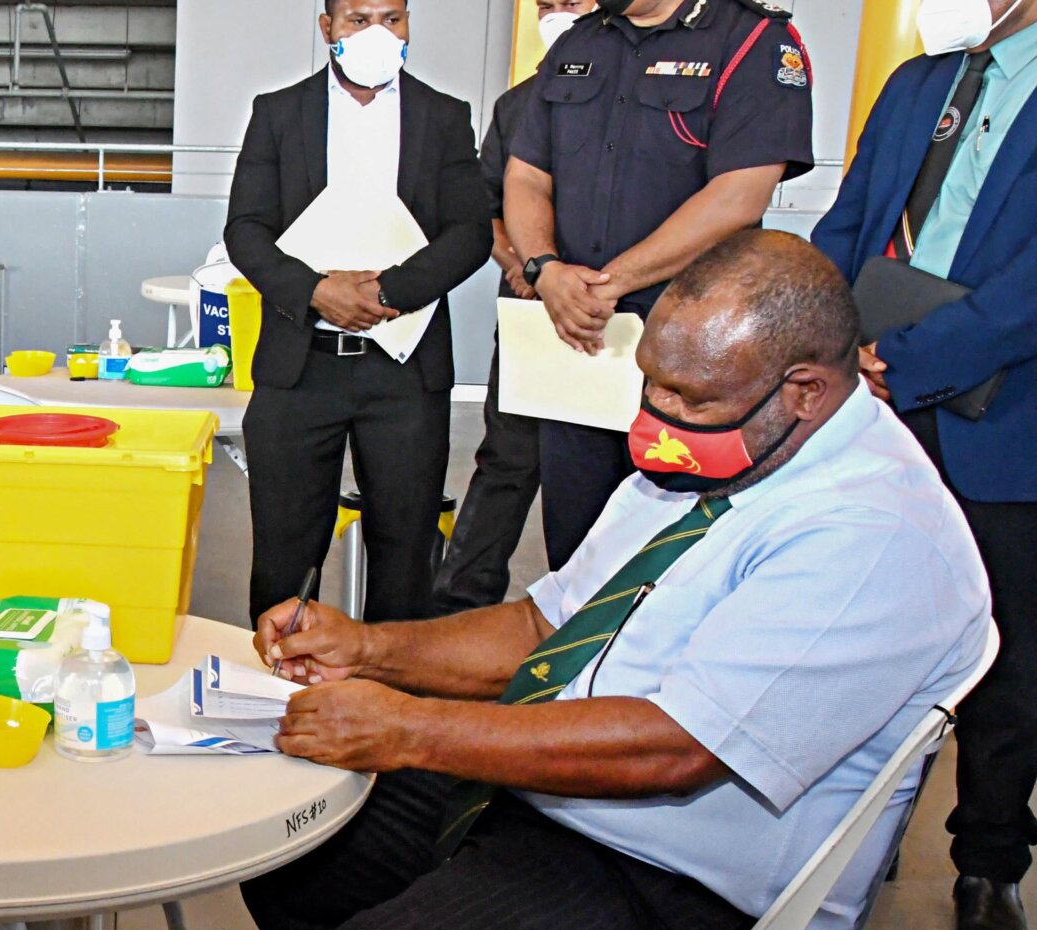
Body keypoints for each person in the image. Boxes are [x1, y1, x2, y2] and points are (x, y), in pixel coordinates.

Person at [240, 231, 991, 930]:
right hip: (565, 788)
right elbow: (543, 629)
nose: (657, 425)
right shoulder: (728, 445)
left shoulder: (873, 534)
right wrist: (369, 646)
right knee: (288, 854)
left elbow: (676, 749)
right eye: (650, 387)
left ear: (806, 391)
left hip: (690, 884)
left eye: (691, 401)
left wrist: (409, 729)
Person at [811, 0, 1037, 930]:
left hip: (1006, 415)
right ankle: (853, 838)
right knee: (857, 631)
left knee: (1007, 659)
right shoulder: (915, 84)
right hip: (873, 402)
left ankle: (988, 863)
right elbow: (848, 221)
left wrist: (904, 356)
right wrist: (820, 337)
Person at [503, 0, 814, 572]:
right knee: (575, 542)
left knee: (679, 555)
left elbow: (738, 197)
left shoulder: (752, 41)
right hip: (580, 340)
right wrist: (545, 269)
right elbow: (524, 174)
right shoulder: (578, 44)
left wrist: (608, 282)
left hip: (693, 354)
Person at [225, 0, 491, 627]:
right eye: (357, 19)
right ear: (327, 29)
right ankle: (280, 689)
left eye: (392, 19)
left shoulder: (444, 117)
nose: (376, 32)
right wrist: (316, 290)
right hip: (300, 369)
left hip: (404, 372)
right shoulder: (279, 114)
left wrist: (389, 292)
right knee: (285, 552)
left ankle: (388, 698)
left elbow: (470, 233)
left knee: (405, 554)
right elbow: (246, 231)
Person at [431, 0, 598, 614]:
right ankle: (458, 608)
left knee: (602, 472)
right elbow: (487, 208)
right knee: (507, 460)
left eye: (571, 3)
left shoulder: (647, 98)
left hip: (619, 320)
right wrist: (525, 266)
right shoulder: (520, 105)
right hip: (532, 316)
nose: (558, 15)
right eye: (547, 5)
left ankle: (588, 614)